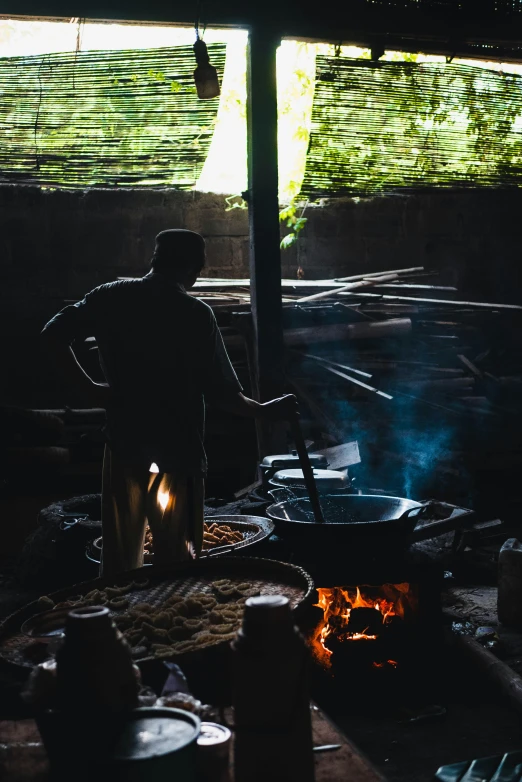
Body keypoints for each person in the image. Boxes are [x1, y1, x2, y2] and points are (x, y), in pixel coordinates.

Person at [41, 229, 297, 576]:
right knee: (178, 560)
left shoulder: (109, 297)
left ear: (155, 260)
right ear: (195, 268)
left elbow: (51, 336)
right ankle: (171, 623)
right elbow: (223, 394)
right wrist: (265, 411)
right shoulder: (195, 314)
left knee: (119, 557)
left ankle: (118, 625)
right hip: (179, 453)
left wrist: (90, 389)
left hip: (124, 446)